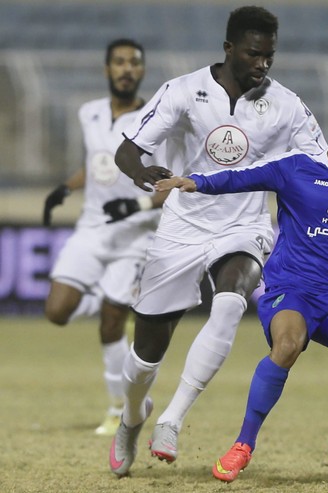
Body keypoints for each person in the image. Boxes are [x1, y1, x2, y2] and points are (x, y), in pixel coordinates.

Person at [154, 98, 328, 483]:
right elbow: (242, 177)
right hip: (290, 290)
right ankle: (243, 445)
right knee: (288, 344)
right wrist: (196, 182)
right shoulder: (296, 169)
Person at [108, 6, 327, 477]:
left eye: (269, 56)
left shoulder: (287, 105)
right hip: (182, 226)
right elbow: (128, 148)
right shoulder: (185, 91)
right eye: (253, 54)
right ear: (229, 49)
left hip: (243, 226)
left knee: (231, 302)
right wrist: (142, 172)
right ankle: (131, 417)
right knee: (146, 352)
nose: (262, 65)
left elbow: (321, 167)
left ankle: (172, 418)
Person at [43, 39, 167, 436]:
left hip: (136, 235)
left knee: (112, 325)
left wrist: (137, 208)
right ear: (107, 69)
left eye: (134, 62)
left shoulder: (156, 120)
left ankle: (118, 407)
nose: (126, 68)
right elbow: (95, 164)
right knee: (56, 311)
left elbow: (168, 184)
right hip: (92, 229)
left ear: (143, 71)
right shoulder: (89, 113)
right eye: (119, 62)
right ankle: (105, 298)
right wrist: (65, 188)